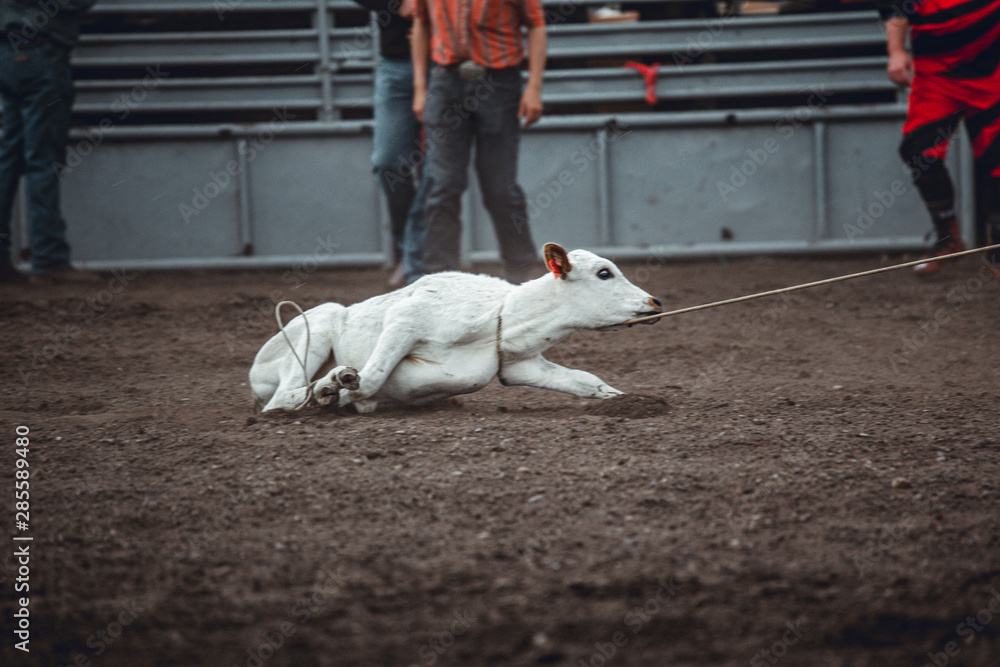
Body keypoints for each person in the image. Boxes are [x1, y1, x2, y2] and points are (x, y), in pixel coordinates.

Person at [411, 0, 546, 284]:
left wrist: (534, 87)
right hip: (445, 81)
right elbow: (421, 24)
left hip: (499, 82)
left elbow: (536, 25)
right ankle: (438, 282)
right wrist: (420, 88)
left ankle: (521, 275)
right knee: (443, 185)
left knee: (499, 188)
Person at [879, 0, 1000, 277]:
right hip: (937, 76)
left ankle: (998, 252)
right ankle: (948, 239)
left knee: (997, 161)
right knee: (917, 150)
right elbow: (895, 8)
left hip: (993, 73)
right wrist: (896, 51)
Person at [0, 0, 98, 284]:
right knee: (43, 160)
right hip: (42, 52)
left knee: (9, 157)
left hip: (8, 51)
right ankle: (49, 258)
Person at [352, 0, 428, 287]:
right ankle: (410, 253)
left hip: (446, 61)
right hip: (396, 63)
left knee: (438, 171)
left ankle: (421, 258)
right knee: (388, 163)